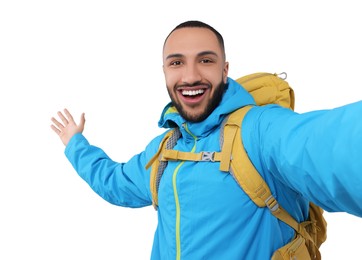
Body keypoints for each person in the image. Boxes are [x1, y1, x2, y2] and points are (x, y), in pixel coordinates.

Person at [50, 20, 362, 259]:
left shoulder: (260, 130)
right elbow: (116, 184)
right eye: (176, 63)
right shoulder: (165, 150)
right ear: (164, 72)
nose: (189, 76)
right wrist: (76, 144)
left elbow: (331, 146)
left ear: (225, 70)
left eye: (206, 60)